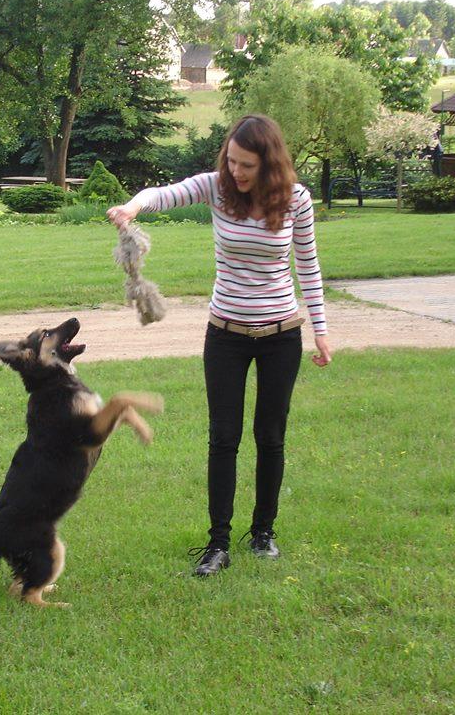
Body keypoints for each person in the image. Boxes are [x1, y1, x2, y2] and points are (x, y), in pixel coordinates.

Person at [107, 114, 331, 577]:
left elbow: (307, 266)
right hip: (225, 333)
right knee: (222, 437)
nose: (237, 172)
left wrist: (321, 330)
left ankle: (263, 532)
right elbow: (163, 193)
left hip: (280, 335)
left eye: (247, 165)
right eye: (231, 162)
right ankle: (217, 544)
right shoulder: (216, 187)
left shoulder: (296, 199)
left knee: (270, 436)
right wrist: (132, 208)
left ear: (269, 164)